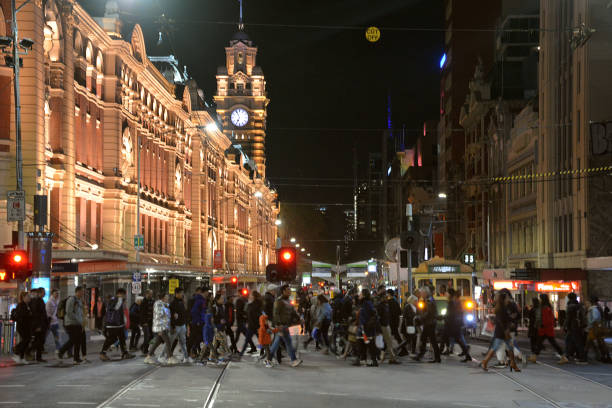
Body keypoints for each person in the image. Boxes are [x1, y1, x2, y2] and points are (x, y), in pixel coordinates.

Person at [480, 291, 521, 372]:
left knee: (510, 348)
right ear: (503, 299)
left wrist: (511, 319)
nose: (508, 299)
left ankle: (513, 363)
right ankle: (485, 362)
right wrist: (506, 329)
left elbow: (506, 319)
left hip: (504, 331)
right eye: (506, 298)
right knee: (495, 348)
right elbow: (501, 321)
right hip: (502, 332)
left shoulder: (503, 308)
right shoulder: (501, 309)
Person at [269, 284, 303, 367]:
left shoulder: (288, 301)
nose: (290, 291)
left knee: (277, 343)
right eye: (288, 290)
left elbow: (293, 312)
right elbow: (276, 313)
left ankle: (268, 359)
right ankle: (293, 360)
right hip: (282, 325)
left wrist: (299, 319)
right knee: (288, 343)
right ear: (283, 291)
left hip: (286, 325)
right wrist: (278, 324)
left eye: (289, 289)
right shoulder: (279, 301)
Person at [530, 293, 566, 364]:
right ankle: (534, 356)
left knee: (547, 343)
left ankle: (563, 357)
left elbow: (546, 319)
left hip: (545, 329)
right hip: (547, 329)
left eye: (541, 299)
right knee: (540, 343)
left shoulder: (545, 307)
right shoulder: (547, 307)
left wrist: (542, 325)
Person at [100, 288, 133, 361]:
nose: (125, 296)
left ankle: (125, 353)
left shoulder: (114, 299)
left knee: (121, 338)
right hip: (114, 324)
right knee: (112, 338)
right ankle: (103, 353)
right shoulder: (117, 299)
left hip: (116, 324)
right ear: (121, 294)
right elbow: (115, 309)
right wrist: (120, 300)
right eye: (124, 295)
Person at [144, 293, 175, 364]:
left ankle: (148, 357)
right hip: (161, 327)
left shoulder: (164, 304)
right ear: (163, 298)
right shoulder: (159, 304)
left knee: (157, 342)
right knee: (168, 342)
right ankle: (170, 358)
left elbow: (166, 314)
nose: (168, 299)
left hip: (163, 327)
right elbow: (159, 316)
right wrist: (160, 330)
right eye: (167, 297)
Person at [413, 286, 441, 363]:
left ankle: (436, 358)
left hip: (430, 323)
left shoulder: (429, 300)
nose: (421, 294)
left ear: (425, 293)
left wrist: (420, 318)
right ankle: (421, 355)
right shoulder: (428, 299)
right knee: (425, 339)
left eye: (422, 293)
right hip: (429, 322)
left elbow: (428, 313)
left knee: (432, 340)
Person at [58, 286, 85, 364]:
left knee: (78, 341)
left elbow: (79, 312)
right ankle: (61, 351)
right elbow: (69, 312)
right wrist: (78, 320)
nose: (82, 293)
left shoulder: (79, 300)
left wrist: (82, 320)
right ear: (77, 292)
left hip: (78, 323)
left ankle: (76, 358)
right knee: (73, 340)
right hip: (70, 323)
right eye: (81, 291)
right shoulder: (71, 299)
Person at [374, 286, 400, 364]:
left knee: (387, 343)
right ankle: (392, 358)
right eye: (385, 297)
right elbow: (379, 317)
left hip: (386, 325)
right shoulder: (381, 306)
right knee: (388, 343)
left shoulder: (385, 305)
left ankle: (383, 357)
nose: (386, 298)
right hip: (384, 325)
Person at [354, 288, 379, 367]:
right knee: (363, 343)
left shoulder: (367, 303)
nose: (359, 295)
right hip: (363, 327)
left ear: (364, 295)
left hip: (366, 328)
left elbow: (373, 313)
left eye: (360, 294)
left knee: (368, 344)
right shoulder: (363, 303)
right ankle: (363, 360)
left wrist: (365, 324)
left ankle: (372, 361)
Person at [446, 290, 472, 362]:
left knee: (458, 339)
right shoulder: (455, 302)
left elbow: (454, 313)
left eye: (447, 293)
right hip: (456, 323)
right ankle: (467, 354)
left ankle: (466, 353)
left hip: (455, 323)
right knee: (457, 339)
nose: (446, 295)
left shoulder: (454, 302)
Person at [584, 296, 611, 363]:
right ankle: (605, 357)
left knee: (589, 342)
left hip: (594, 328)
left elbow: (595, 318)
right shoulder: (598, 308)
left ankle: (584, 357)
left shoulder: (593, 309)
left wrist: (590, 323)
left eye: (588, 301)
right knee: (601, 343)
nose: (586, 303)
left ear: (591, 302)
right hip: (598, 328)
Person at [562, 292, 587, 364]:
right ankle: (567, 356)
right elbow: (583, 315)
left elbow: (568, 318)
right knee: (571, 340)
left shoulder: (570, 306)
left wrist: (564, 326)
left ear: (569, 298)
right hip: (579, 326)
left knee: (577, 342)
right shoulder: (579, 305)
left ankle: (582, 358)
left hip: (573, 326)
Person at [169, 288, 190, 363]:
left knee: (183, 342)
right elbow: (172, 316)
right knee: (170, 342)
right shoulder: (173, 303)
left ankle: (186, 357)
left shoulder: (182, 302)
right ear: (176, 294)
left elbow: (184, 314)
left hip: (182, 325)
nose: (182, 294)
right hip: (176, 326)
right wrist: (173, 326)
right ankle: (165, 356)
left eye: (183, 293)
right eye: (181, 293)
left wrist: (186, 324)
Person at [240, 291, 263, 356]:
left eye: (250, 295)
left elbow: (258, 315)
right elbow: (247, 314)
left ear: (254, 296)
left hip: (256, 325)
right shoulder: (250, 304)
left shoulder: (258, 304)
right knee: (247, 340)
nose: (249, 296)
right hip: (251, 325)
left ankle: (264, 352)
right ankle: (241, 353)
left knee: (261, 340)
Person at [12, 291, 32, 364]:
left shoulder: (27, 305)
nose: (29, 298)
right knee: (26, 340)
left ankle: (22, 357)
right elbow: (22, 316)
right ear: (23, 297)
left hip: (27, 326)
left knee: (27, 340)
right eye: (27, 296)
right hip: (22, 326)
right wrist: (29, 314)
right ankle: (16, 351)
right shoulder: (21, 305)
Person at [30, 288, 49, 362]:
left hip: (42, 324)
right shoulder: (38, 301)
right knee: (39, 341)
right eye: (44, 292)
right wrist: (38, 325)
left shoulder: (40, 300)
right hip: (39, 324)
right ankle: (29, 351)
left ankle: (38, 356)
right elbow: (37, 314)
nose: (45, 294)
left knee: (40, 341)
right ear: (40, 292)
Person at [189, 287, 207, 357]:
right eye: (207, 292)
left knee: (199, 337)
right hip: (197, 322)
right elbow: (194, 311)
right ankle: (192, 350)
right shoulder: (199, 300)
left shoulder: (202, 300)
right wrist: (198, 321)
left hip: (200, 321)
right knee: (196, 337)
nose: (208, 293)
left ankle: (194, 350)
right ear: (203, 292)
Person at [46, 289, 61, 353]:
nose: (57, 295)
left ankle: (58, 348)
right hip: (50, 322)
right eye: (56, 293)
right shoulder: (49, 302)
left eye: (57, 293)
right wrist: (51, 319)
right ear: (52, 294)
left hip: (55, 322)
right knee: (45, 336)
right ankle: (41, 348)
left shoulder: (57, 301)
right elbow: (48, 313)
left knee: (57, 336)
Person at [140, 289, 155, 355]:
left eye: (152, 294)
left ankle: (143, 346)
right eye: (150, 294)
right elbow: (141, 313)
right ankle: (145, 350)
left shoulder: (153, 301)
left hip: (151, 322)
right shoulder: (143, 302)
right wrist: (144, 322)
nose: (151, 295)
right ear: (147, 294)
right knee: (147, 336)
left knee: (152, 336)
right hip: (145, 322)